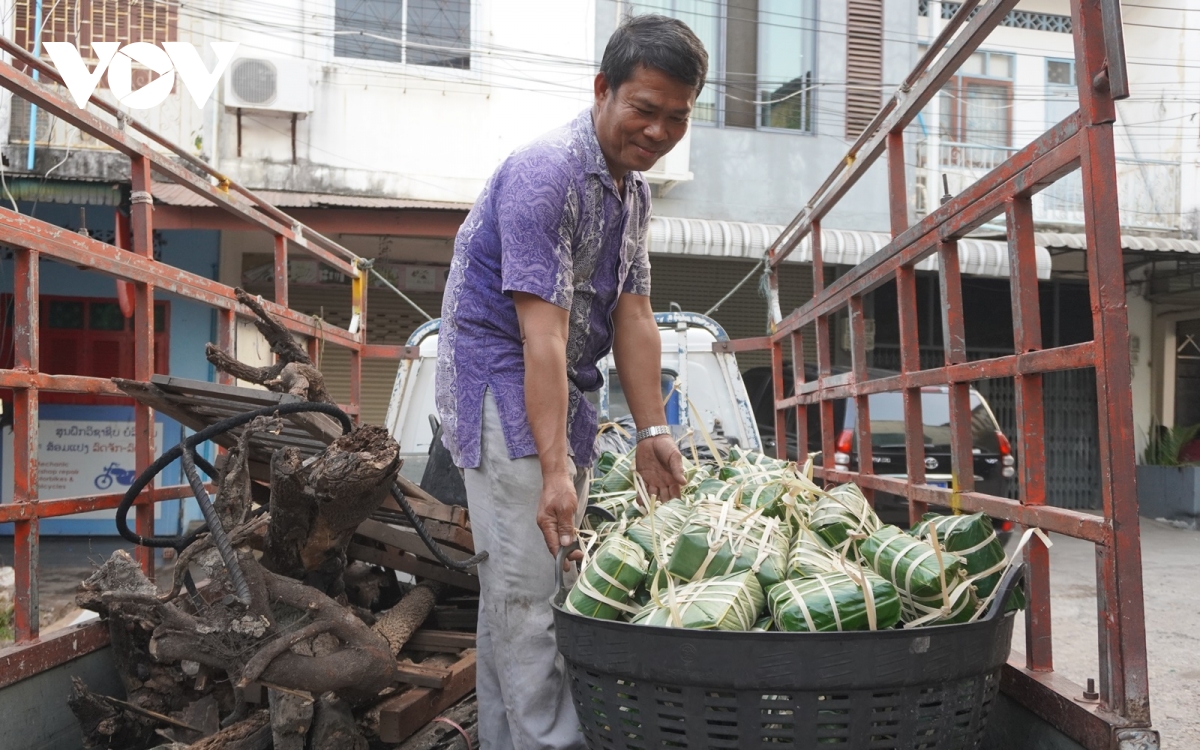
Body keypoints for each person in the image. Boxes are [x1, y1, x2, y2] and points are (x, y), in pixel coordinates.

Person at [435, 14, 707, 750]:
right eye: (644, 109)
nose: (657, 131)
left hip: (561, 391)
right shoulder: (545, 172)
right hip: (501, 386)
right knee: (531, 601)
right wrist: (554, 468)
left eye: (675, 117)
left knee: (518, 597)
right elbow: (542, 336)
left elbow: (636, 315)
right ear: (602, 90)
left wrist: (655, 434)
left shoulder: (633, 193)